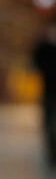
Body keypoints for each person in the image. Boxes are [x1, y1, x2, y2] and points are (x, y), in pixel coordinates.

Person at [34, 18, 56, 166]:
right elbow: (37, 59)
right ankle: (52, 153)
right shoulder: (45, 46)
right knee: (49, 122)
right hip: (50, 91)